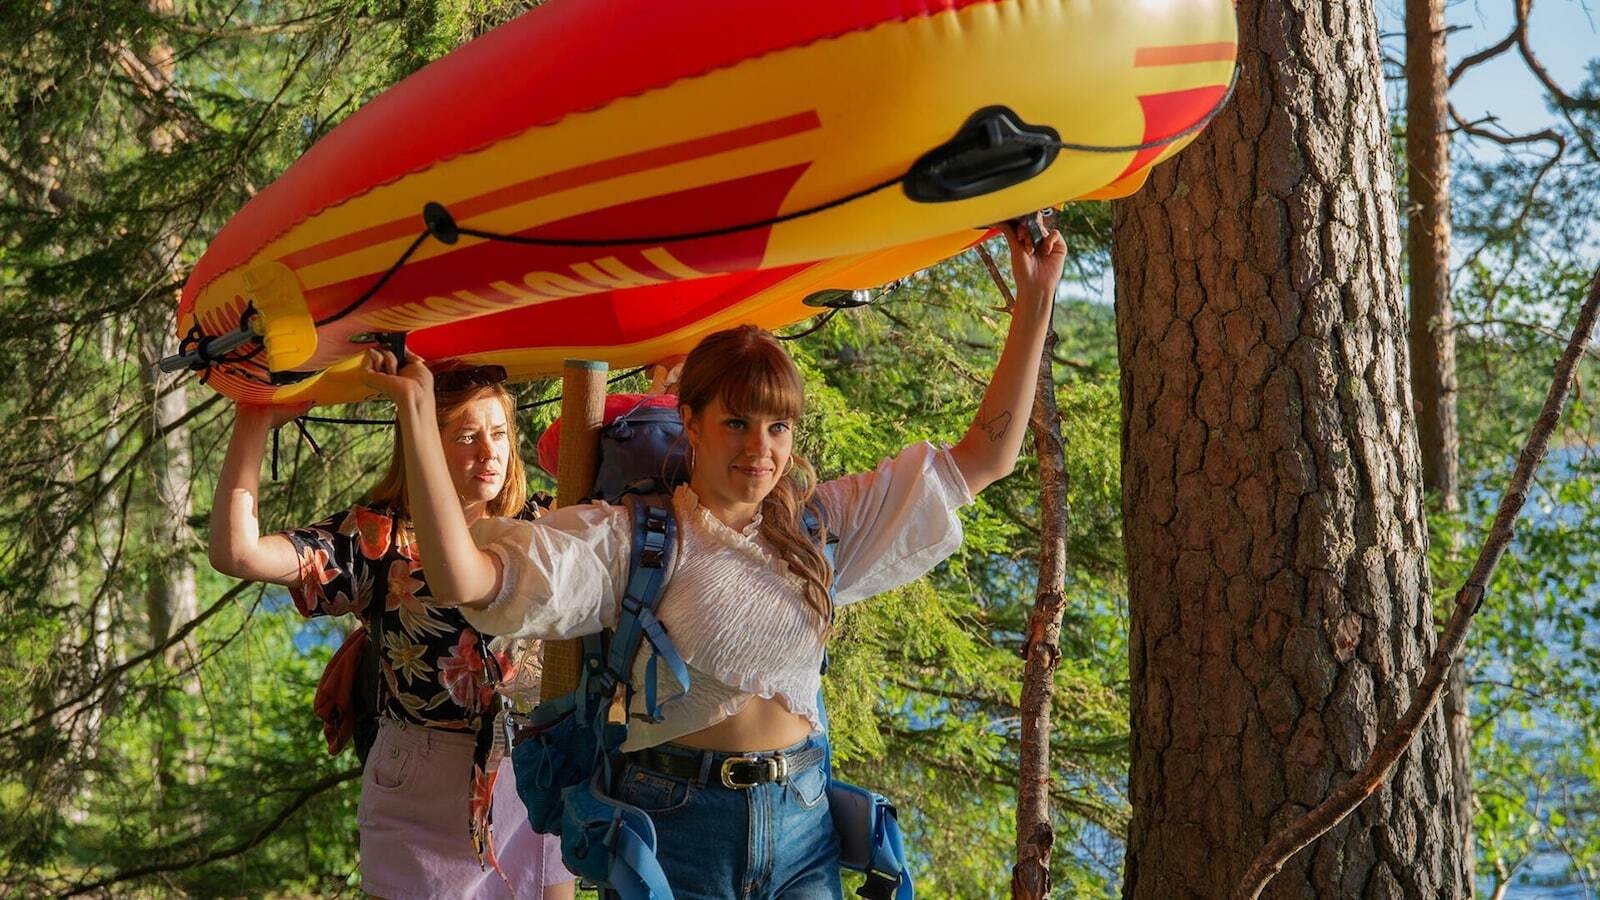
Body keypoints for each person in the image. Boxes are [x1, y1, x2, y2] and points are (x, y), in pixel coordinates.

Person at [364, 223, 1066, 898]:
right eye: (736, 421)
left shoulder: (820, 524)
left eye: (778, 426)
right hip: (675, 836)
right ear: (689, 422)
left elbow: (986, 456)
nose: (760, 448)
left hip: (804, 827)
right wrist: (418, 419)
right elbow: (464, 579)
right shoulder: (632, 539)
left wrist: (1035, 300)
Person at [207, 366, 576, 900]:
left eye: (499, 434)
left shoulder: (545, 525)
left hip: (530, 773)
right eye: (467, 437)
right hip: (419, 778)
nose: (489, 453)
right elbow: (236, 552)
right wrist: (254, 419)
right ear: (423, 441)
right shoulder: (378, 537)